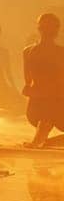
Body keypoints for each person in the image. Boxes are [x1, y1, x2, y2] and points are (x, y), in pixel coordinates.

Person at [22, 13, 64, 148]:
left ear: (39, 29)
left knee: (50, 101)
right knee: (50, 103)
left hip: (35, 108)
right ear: (57, 31)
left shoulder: (27, 51)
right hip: (47, 107)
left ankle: (44, 141)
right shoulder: (61, 53)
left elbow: (27, 84)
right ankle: (40, 141)